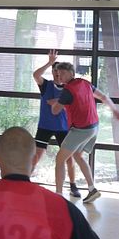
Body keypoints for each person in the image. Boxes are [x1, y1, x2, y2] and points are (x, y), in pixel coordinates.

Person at [48, 61, 119, 203]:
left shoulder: (67, 90)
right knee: (77, 155)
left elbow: (54, 111)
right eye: (58, 74)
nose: (59, 76)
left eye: (62, 73)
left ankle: (58, 196)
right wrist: (114, 110)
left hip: (80, 130)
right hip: (93, 127)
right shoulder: (85, 83)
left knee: (59, 159)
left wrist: (56, 103)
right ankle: (92, 189)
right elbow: (104, 98)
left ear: (71, 73)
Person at [32, 49, 81, 199]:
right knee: (37, 155)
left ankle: (73, 185)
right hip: (45, 126)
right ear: (52, 73)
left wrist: (59, 103)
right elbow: (36, 75)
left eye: (59, 72)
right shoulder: (45, 85)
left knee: (69, 158)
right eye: (55, 72)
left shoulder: (69, 87)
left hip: (63, 128)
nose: (57, 75)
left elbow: (76, 104)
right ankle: (24, 180)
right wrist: (49, 62)